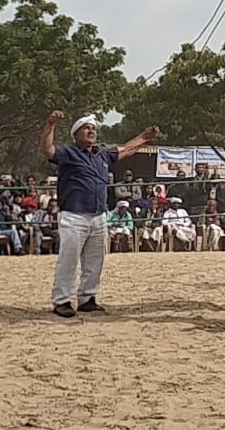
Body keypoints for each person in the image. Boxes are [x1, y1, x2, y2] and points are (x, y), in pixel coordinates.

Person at [41, 111, 159, 318]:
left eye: (93, 128)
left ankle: (88, 298)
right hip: (74, 214)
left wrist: (145, 137)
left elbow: (127, 150)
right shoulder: (69, 153)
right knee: (68, 260)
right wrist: (50, 124)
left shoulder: (102, 154)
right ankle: (62, 300)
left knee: (95, 260)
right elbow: (47, 149)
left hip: (99, 215)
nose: (91, 131)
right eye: (86, 128)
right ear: (76, 134)